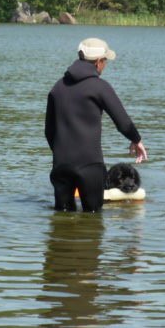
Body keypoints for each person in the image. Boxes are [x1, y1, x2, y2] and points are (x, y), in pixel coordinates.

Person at [45, 38, 147, 212]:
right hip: (89, 165)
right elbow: (122, 122)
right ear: (99, 62)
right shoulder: (99, 87)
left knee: (61, 216)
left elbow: (49, 131)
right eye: (105, 61)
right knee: (92, 218)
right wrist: (136, 140)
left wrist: (60, 154)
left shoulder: (57, 87)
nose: (105, 65)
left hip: (61, 164)